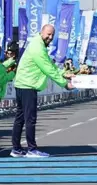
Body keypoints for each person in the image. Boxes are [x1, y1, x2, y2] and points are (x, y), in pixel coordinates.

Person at [11, 24, 75, 158]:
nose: (50, 37)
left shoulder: (38, 44)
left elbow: (50, 64)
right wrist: (64, 84)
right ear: (41, 32)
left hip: (23, 84)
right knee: (30, 119)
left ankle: (16, 149)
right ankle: (32, 149)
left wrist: (64, 73)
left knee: (21, 118)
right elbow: (48, 68)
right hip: (28, 85)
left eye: (52, 35)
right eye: (48, 34)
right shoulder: (37, 48)